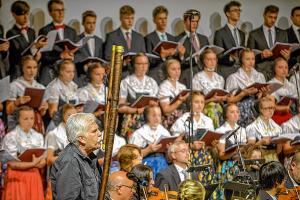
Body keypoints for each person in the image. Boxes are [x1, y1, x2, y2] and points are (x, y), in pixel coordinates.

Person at [50, 113, 102, 200]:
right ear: (81, 139)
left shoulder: (90, 156)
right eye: (94, 131)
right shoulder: (70, 162)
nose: (100, 134)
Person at [1, 106, 45, 200]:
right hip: (17, 177)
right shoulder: (11, 137)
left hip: (33, 176)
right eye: (25, 119)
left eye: (32, 118)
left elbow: (43, 160)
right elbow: (12, 164)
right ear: (18, 119)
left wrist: (41, 163)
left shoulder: (38, 136)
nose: (29, 121)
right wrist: (33, 163)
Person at [118, 53, 158, 139]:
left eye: (146, 64)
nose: (143, 67)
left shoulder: (152, 82)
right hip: (132, 120)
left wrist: (153, 104)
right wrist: (135, 110)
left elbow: (156, 104)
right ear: (133, 65)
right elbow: (120, 107)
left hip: (149, 119)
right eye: (140, 64)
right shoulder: (126, 82)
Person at [38, 0, 78, 85]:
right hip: (51, 73)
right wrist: (60, 55)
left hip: (70, 75)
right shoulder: (45, 30)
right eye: (57, 10)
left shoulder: (72, 31)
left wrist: (72, 56)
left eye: (62, 10)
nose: (60, 13)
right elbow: (43, 56)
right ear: (50, 12)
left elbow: (78, 52)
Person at [6, 55, 48, 133]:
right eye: (29, 67)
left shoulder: (41, 87)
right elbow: (8, 110)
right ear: (22, 68)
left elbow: (42, 113)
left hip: (35, 125)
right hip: (17, 125)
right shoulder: (14, 85)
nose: (32, 71)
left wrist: (44, 108)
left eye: (35, 67)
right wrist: (17, 102)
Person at [247, 5, 290, 81]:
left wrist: (287, 56)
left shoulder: (283, 33)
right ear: (264, 15)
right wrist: (261, 55)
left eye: (275, 17)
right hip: (261, 72)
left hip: (279, 73)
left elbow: (286, 55)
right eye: (270, 17)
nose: (273, 20)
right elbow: (248, 56)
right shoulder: (254, 34)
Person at [7, 1, 47, 80]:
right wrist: (34, 47)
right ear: (14, 14)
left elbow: (33, 53)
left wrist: (37, 55)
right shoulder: (11, 33)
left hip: (32, 72)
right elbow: (17, 55)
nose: (26, 17)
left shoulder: (31, 31)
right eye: (22, 14)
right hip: (18, 73)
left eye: (27, 14)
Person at [226, 48, 267, 127]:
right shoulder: (233, 77)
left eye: (253, 59)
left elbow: (262, 96)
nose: (251, 62)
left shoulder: (260, 76)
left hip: (258, 104)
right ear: (241, 60)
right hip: (242, 106)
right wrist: (244, 93)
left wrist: (264, 93)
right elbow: (229, 101)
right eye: (247, 59)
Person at [129, 105, 170, 178]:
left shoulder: (164, 132)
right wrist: (148, 150)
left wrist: (168, 150)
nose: (157, 118)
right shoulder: (139, 133)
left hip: (163, 164)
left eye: (159, 115)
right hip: (145, 164)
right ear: (147, 116)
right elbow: (132, 156)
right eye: (154, 115)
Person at [144, 6, 181, 83]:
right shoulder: (148, 38)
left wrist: (181, 54)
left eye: (165, 18)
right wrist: (162, 56)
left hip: (171, 77)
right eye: (160, 19)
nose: (163, 21)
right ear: (154, 20)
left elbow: (176, 60)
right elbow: (148, 61)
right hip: (156, 76)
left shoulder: (172, 38)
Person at [193, 48, 226, 128]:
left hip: (219, 106)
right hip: (204, 107)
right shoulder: (198, 77)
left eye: (214, 59)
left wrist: (223, 98)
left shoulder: (220, 78)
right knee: (213, 108)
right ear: (204, 61)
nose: (212, 62)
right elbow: (195, 100)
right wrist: (211, 100)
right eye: (209, 59)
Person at [176, 9, 209, 88]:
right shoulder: (178, 39)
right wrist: (181, 56)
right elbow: (176, 63)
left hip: (205, 77)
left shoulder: (204, 38)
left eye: (197, 21)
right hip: (188, 77)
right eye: (192, 21)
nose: (195, 24)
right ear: (184, 22)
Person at [214, 1, 245, 79]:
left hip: (241, 72)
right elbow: (218, 56)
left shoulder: (242, 34)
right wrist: (230, 57)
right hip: (227, 71)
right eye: (235, 10)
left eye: (239, 10)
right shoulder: (220, 33)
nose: (238, 12)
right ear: (227, 13)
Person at [246, 96, 282, 162]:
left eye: (272, 108)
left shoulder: (277, 127)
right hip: (259, 159)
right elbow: (248, 150)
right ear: (261, 109)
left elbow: (279, 150)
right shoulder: (253, 127)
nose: (270, 111)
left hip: (275, 159)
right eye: (267, 108)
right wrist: (260, 142)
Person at [158, 59, 189, 129]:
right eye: (173, 69)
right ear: (167, 71)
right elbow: (166, 111)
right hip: (170, 121)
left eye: (179, 69)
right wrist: (179, 101)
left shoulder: (182, 86)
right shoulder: (163, 86)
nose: (177, 71)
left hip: (183, 119)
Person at [75, 10, 104, 78]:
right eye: (89, 23)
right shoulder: (76, 39)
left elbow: (101, 59)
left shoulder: (99, 41)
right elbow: (75, 62)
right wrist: (84, 67)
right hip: (82, 78)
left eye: (94, 23)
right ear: (83, 23)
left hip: (97, 78)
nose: (92, 26)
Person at [269, 57, 297, 125]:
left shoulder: (291, 85)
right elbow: (271, 106)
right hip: (276, 116)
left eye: (286, 67)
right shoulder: (271, 84)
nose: (284, 70)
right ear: (274, 69)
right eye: (280, 67)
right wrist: (285, 108)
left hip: (291, 114)